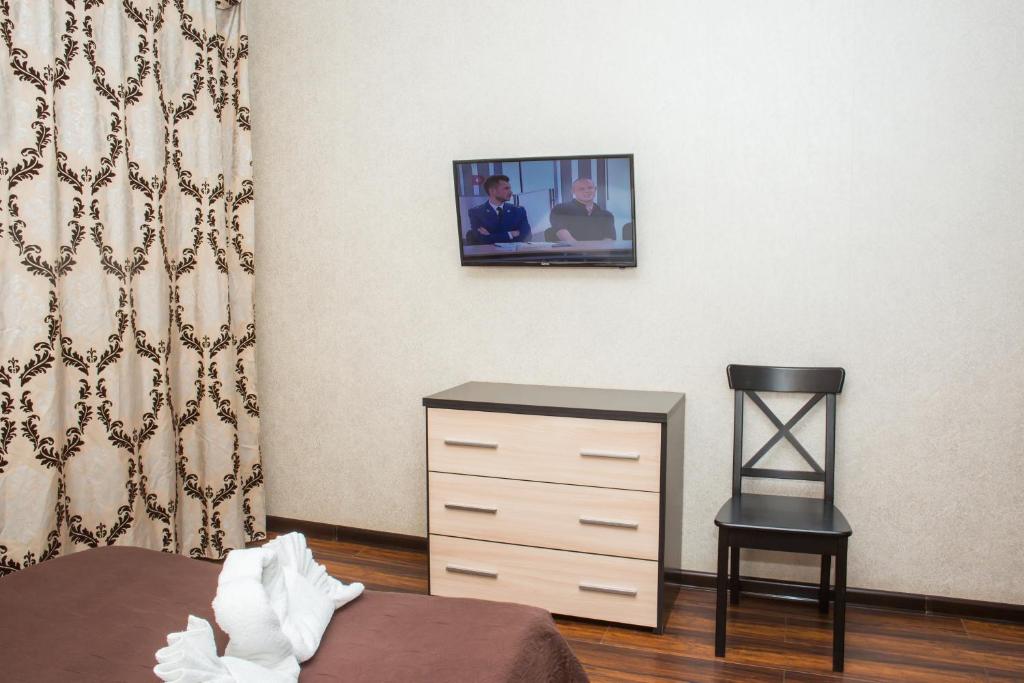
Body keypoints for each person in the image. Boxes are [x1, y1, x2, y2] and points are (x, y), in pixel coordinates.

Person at [465, 175, 531, 245]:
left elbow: (526, 236)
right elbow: (482, 239)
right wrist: (510, 234)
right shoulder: (476, 212)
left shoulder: (519, 211)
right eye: (506, 188)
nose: (511, 192)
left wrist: (491, 236)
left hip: (514, 251)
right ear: (492, 191)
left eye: (510, 188)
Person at [549, 177, 615, 242]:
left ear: (595, 189)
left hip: (599, 249)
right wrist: (579, 248)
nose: (587, 191)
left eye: (590, 188)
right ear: (573, 191)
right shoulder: (560, 209)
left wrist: (598, 248)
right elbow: (562, 232)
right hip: (572, 248)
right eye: (581, 189)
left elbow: (609, 238)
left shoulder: (607, 215)